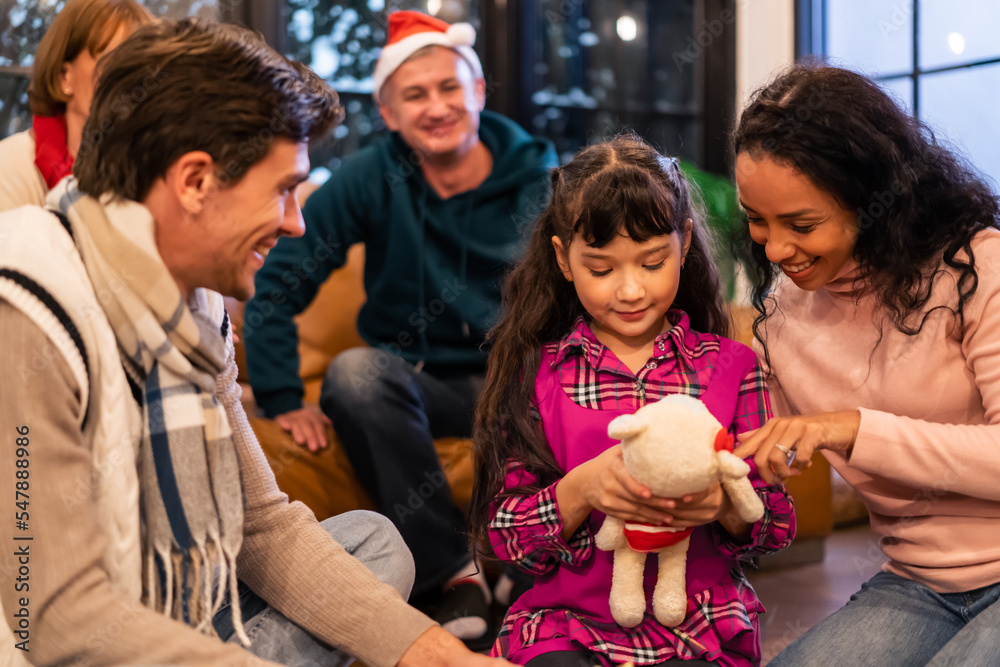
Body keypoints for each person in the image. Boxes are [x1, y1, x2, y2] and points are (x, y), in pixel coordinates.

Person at [0, 18, 516, 667]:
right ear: (194, 182)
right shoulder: (27, 305)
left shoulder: (198, 295)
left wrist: (444, 656)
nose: (298, 222)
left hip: (192, 605)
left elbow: (260, 524)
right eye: (283, 190)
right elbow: (60, 622)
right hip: (70, 639)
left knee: (375, 542)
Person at [242, 9, 557, 644]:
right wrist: (280, 395)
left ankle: (534, 575)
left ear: (478, 93)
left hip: (518, 382)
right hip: (415, 387)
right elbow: (276, 276)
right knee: (354, 373)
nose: (435, 107)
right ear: (389, 113)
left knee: (553, 383)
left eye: (448, 88)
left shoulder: (540, 178)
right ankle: (452, 574)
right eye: (414, 95)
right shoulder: (371, 177)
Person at [469, 136, 796, 667]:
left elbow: (774, 525)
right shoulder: (538, 374)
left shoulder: (734, 368)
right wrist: (579, 490)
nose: (630, 291)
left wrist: (724, 508)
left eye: (651, 262)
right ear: (564, 259)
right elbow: (507, 537)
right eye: (602, 269)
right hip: (570, 627)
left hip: (700, 626)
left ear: (684, 244)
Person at [731, 63, 1000, 666]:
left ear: (875, 197)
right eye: (757, 219)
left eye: (802, 225)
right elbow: (756, 462)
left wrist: (852, 427)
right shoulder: (782, 318)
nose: (774, 250)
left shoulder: (978, 270)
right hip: (919, 583)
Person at [0, 0, 152, 211]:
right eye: (112, 65)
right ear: (64, 77)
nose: (128, 82)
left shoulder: (156, 174)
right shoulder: (9, 169)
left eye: (140, 68)